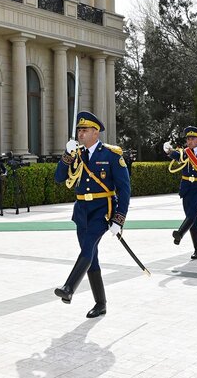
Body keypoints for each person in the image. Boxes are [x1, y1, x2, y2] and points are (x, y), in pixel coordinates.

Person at [54, 111, 131, 318]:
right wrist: (66, 157)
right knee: (91, 258)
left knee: (87, 248)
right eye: (79, 130)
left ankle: (69, 287)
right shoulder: (76, 154)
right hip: (81, 211)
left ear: (95, 133)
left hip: (102, 211)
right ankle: (101, 304)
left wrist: (119, 218)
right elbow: (59, 178)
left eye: (84, 130)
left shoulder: (111, 154)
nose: (80, 133)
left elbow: (124, 189)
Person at [163, 126, 197, 260]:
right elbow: (175, 155)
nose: (189, 141)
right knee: (192, 219)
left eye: (192, 138)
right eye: (188, 138)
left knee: (192, 214)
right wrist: (168, 150)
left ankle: (180, 233)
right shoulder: (185, 153)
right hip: (187, 190)